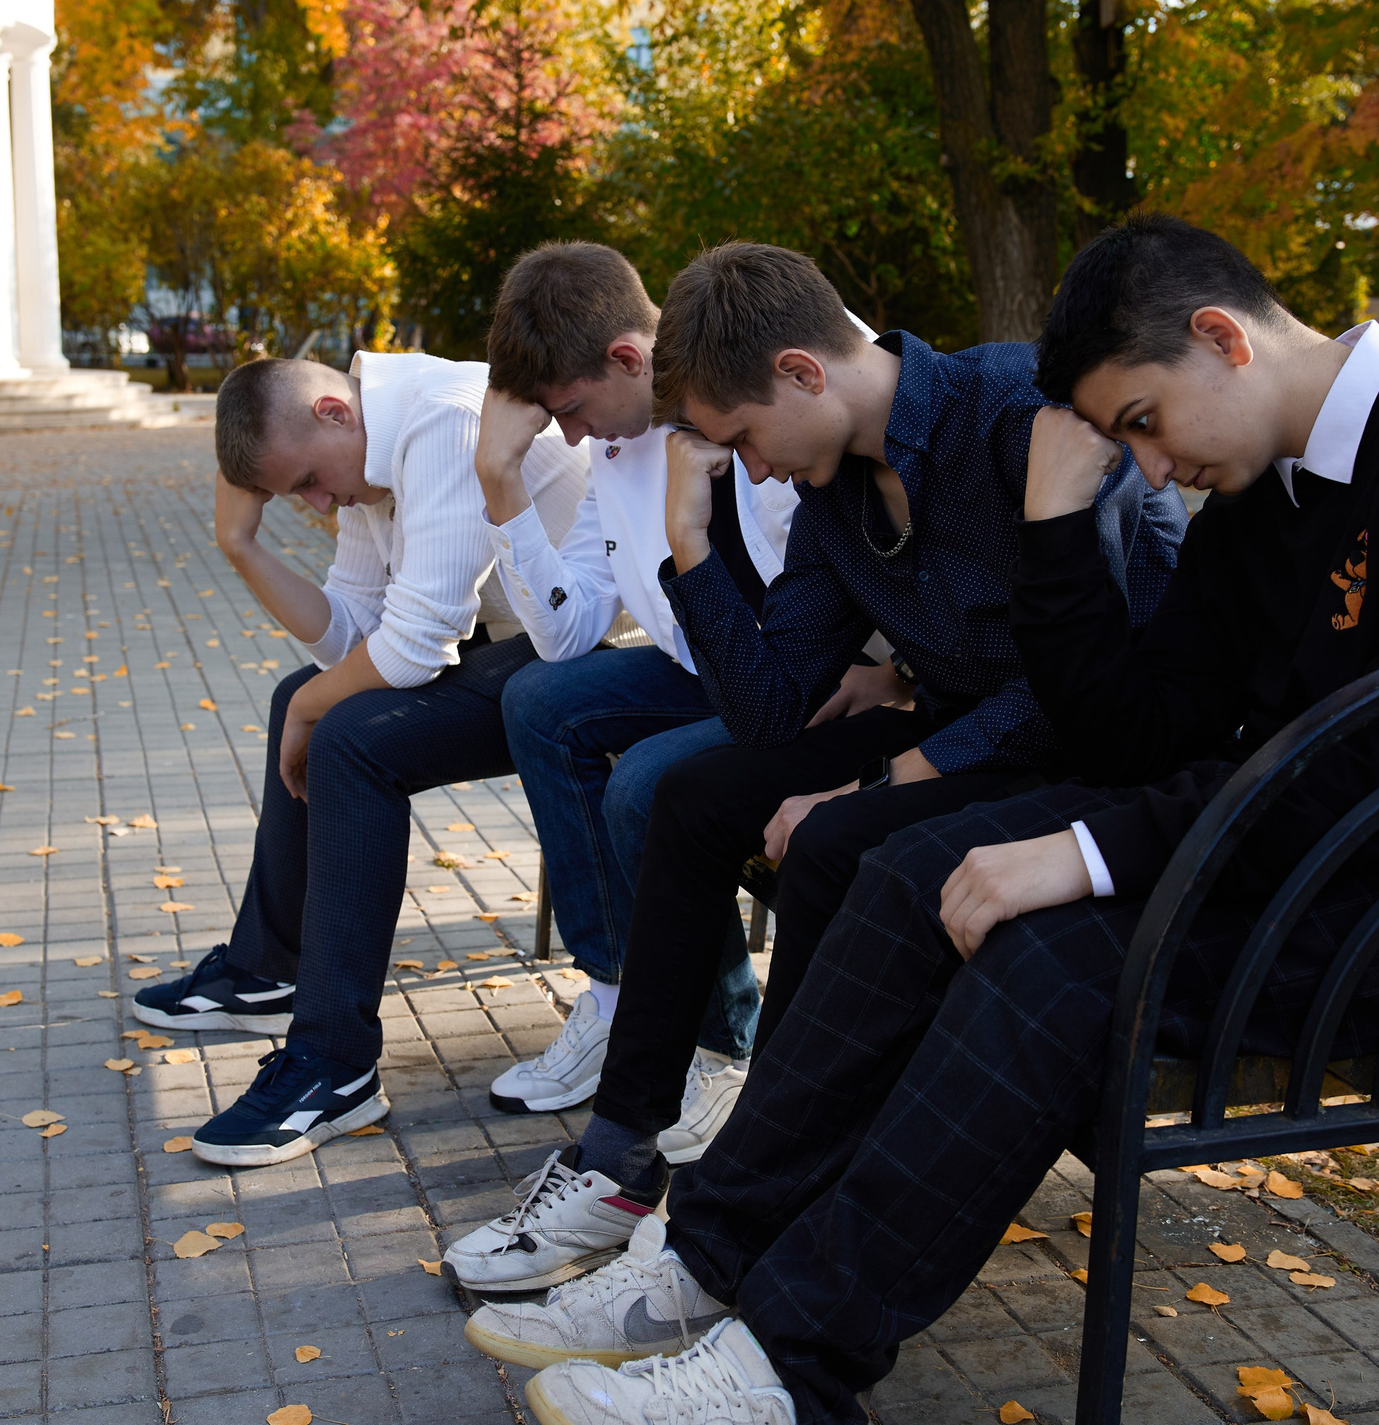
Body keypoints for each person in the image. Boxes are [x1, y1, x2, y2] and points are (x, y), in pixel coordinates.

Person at [462, 215, 1379, 1425]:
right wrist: (1050, 517)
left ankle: (785, 1388)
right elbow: (1132, 726)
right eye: (1125, 440)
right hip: (1311, 859)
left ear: (1221, 337)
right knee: (926, 868)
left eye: (1143, 422)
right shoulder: (1262, 492)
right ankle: (709, 1255)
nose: (1149, 465)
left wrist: (1088, 850)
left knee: (1054, 960)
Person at [452, 243, 1187, 1289]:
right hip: (957, 729)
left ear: (802, 373)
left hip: (1087, 751)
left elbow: (1073, 685)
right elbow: (769, 713)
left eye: (744, 438)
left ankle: (770, 1167)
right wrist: (690, 541)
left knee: (836, 833)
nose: (749, 468)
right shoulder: (835, 486)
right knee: (693, 793)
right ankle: (618, 1161)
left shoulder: (1022, 416)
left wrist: (892, 779)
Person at [444, 242, 841, 1290]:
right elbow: (568, 633)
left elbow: (813, 630)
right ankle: (621, 988)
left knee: (646, 781)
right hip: (694, 666)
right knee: (541, 699)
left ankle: (719, 1044)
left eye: (571, 411)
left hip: (788, 681)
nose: (567, 436)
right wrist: (500, 486)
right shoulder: (610, 456)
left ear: (630, 356)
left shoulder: (741, 426)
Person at [134, 350, 584, 1166]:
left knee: (344, 735)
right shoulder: (369, 451)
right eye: (293, 494)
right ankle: (267, 967)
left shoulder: (441, 421)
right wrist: (240, 545)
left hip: (590, 652)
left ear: (335, 413)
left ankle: (334, 1063)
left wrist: (315, 704)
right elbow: (350, 633)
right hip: (523, 648)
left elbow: (415, 644)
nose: (315, 502)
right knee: (299, 703)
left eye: (308, 477)